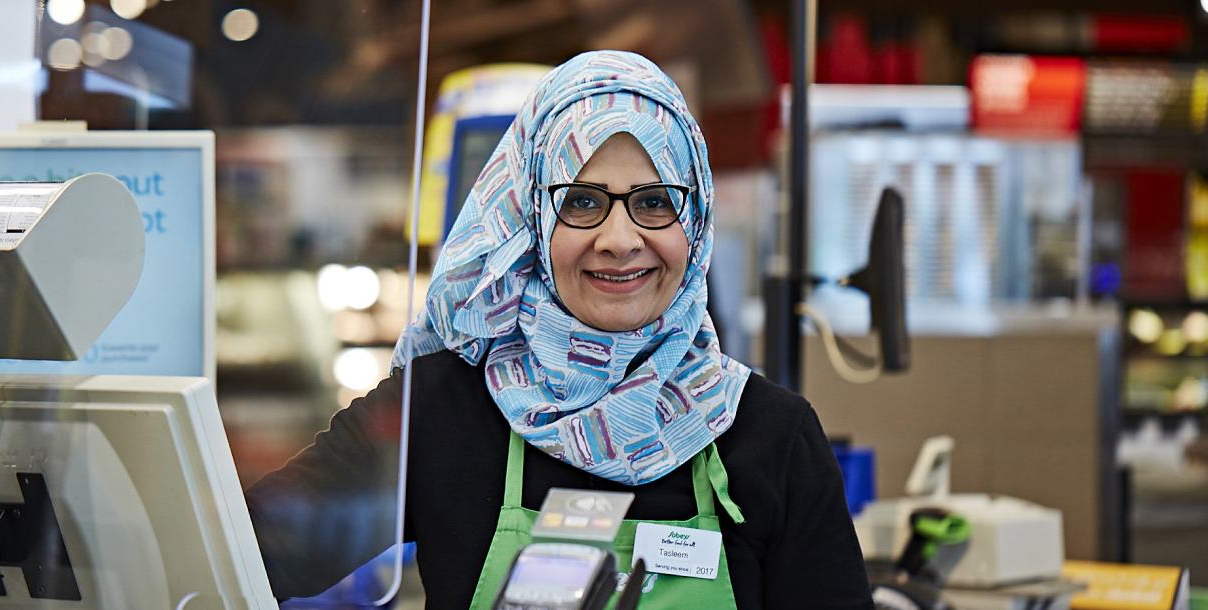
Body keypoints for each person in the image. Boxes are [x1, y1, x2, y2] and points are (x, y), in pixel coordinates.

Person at [245, 50, 873, 610]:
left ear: (697, 220)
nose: (620, 240)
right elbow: (245, 555)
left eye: (655, 201)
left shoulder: (771, 437)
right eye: (582, 201)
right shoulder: (439, 410)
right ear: (531, 219)